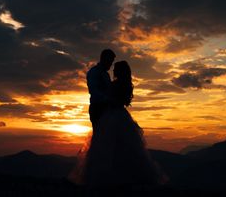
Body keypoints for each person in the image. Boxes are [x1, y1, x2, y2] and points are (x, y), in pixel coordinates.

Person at [69, 59, 168, 187]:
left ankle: (108, 181)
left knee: (108, 146)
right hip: (120, 114)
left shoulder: (116, 84)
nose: (113, 70)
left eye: (116, 68)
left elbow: (111, 98)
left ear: (120, 70)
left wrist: (107, 100)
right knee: (125, 147)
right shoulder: (126, 84)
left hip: (112, 115)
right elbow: (124, 101)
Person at [86, 49, 115, 131]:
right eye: (110, 61)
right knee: (100, 135)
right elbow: (93, 90)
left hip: (106, 109)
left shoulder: (106, 74)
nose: (111, 64)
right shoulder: (93, 72)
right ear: (105, 59)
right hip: (97, 108)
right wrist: (108, 99)